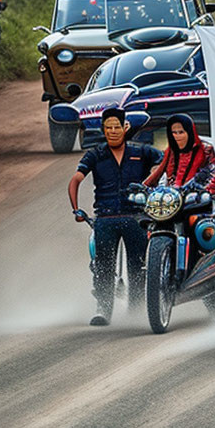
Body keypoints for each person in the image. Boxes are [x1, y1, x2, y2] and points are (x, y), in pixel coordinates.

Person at [68, 107, 163, 326]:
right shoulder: (95, 154)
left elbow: (164, 161)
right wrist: (76, 209)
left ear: (125, 127)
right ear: (103, 129)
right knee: (103, 266)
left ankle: (137, 309)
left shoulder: (142, 151)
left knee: (138, 264)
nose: (112, 131)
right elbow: (75, 180)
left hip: (136, 218)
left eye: (116, 127)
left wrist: (151, 179)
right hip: (105, 218)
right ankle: (103, 309)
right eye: (108, 127)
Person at [143, 114, 215, 187]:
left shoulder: (205, 149)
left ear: (189, 132)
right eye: (174, 133)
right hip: (171, 194)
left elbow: (212, 174)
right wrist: (144, 186)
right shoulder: (171, 150)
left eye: (181, 132)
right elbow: (159, 171)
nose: (177, 136)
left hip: (194, 193)